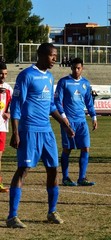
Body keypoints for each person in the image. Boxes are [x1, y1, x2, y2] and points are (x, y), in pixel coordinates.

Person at [6, 43, 75, 228]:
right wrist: (15, 132)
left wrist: (64, 123)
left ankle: (52, 211)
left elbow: (51, 105)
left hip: (47, 131)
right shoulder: (27, 75)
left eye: (55, 55)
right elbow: (17, 105)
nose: (55, 59)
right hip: (29, 130)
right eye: (52, 55)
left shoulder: (50, 77)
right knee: (23, 170)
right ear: (42, 55)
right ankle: (12, 216)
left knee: (53, 169)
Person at [54, 57, 97, 186]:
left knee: (85, 148)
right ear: (71, 68)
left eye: (78, 68)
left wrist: (94, 117)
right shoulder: (64, 82)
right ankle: (65, 178)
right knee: (67, 149)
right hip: (68, 121)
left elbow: (89, 103)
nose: (76, 70)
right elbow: (57, 101)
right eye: (74, 68)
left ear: (82, 68)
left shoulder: (85, 83)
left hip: (82, 121)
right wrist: (63, 116)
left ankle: (82, 178)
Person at [0, 62, 13, 193]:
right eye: (1, 73)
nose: (3, 76)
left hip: (2, 127)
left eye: (5, 74)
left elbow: (13, 105)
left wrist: (9, 112)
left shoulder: (8, 88)